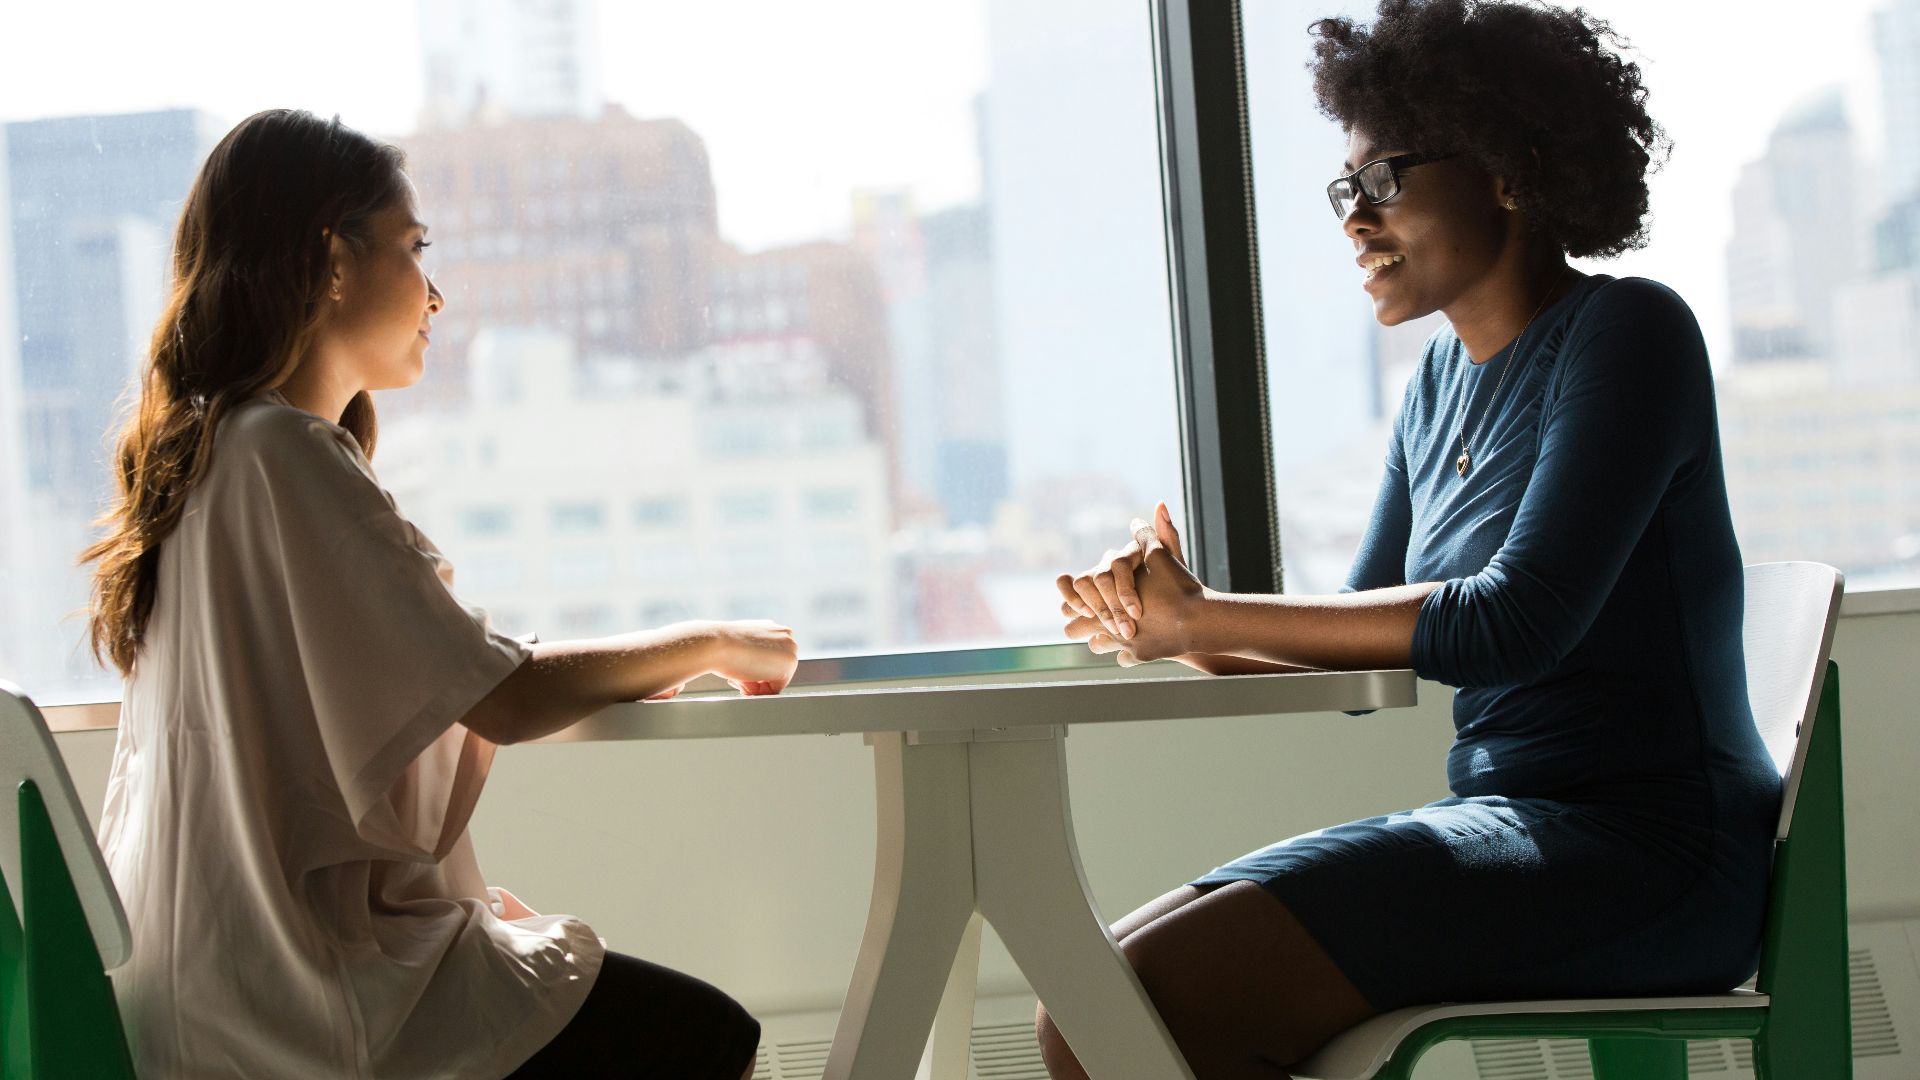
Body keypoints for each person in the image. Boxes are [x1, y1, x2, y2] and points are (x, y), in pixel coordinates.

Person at [1044, 2, 1780, 1077]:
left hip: (1652, 853)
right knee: (1088, 1011)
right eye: (1347, 189)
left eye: (1384, 180)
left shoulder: (1629, 333)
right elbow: (1357, 659)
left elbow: (1515, 623)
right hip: (1509, 821)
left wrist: (1210, 613)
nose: (1354, 219)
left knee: (1135, 1022)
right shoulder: (1435, 387)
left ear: (1508, 171)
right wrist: (1177, 631)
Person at [81, 108, 796, 1079]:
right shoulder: (282, 453)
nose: (439, 293)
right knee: (710, 1038)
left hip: (196, 991)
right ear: (330, 261)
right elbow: (501, 692)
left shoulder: (211, 457)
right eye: (415, 249)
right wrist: (710, 640)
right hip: (296, 1003)